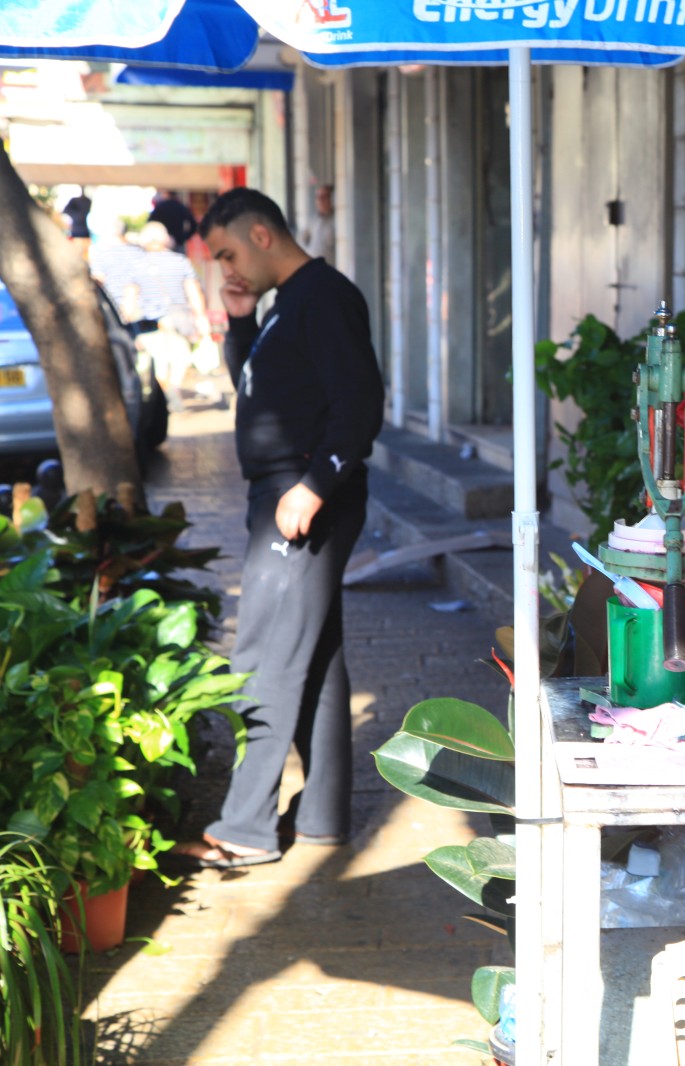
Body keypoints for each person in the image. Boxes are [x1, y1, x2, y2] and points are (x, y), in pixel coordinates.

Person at [173, 188, 384, 869]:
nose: (227, 268)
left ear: (263, 234)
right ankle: (324, 817)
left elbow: (360, 402)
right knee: (313, 660)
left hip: (302, 497)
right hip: (285, 493)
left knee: (262, 658)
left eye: (229, 253)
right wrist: (239, 323)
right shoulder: (284, 305)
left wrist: (316, 485)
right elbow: (260, 392)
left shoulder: (322, 296)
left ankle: (247, 828)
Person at [130, 222, 209, 398]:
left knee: (158, 360)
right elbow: (193, 290)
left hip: (149, 321)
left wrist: (127, 321)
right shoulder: (180, 261)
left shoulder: (136, 264)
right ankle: (171, 390)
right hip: (178, 318)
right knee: (180, 358)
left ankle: (163, 395)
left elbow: (130, 297)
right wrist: (201, 316)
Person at [88, 221, 147, 323]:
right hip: (140, 308)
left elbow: (98, 278)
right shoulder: (139, 252)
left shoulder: (101, 254)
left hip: (113, 307)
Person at [298, 183, 336, 262]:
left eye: (324, 197)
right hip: (312, 267)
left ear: (332, 199)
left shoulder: (337, 220)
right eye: (318, 197)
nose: (320, 200)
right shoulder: (313, 220)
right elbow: (302, 239)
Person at [61, 187, 91, 257]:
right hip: (79, 231)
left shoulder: (87, 201)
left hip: (80, 231)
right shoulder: (83, 201)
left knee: (81, 252)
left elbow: (65, 210)